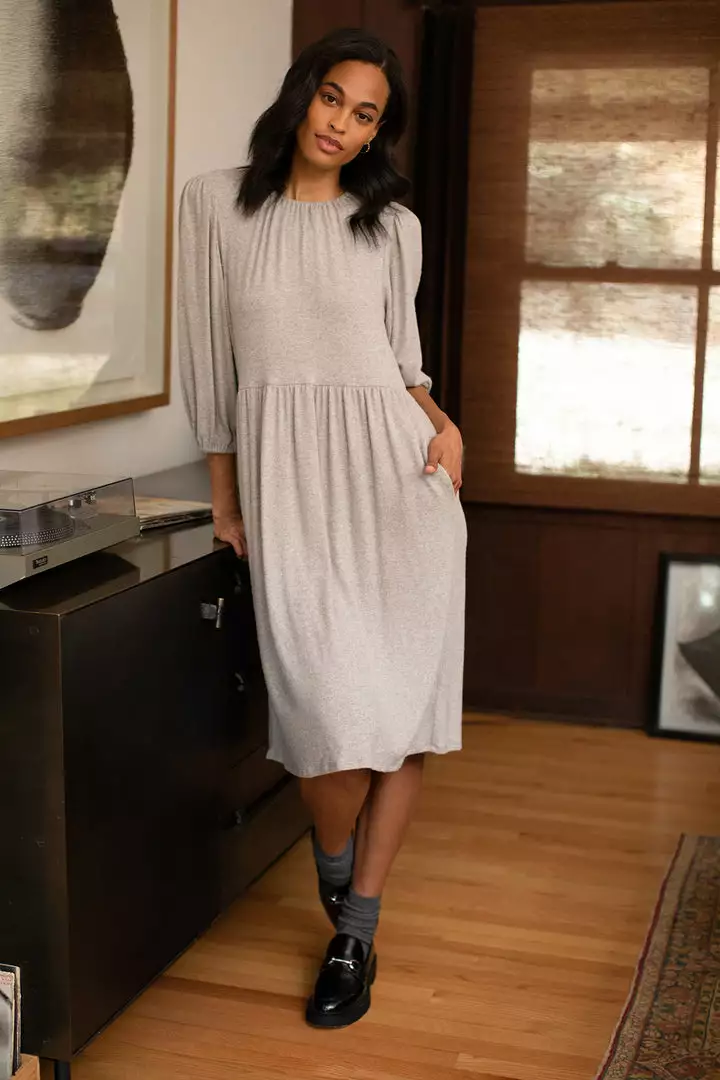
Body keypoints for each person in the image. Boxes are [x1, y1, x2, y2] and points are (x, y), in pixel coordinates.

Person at [178, 27, 467, 1030]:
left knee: (401, 719)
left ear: (379, 133)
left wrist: (443, 425)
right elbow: (211, 370)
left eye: (365, 114)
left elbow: (402, 365)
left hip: (401, 489)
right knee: (324, 734)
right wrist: (227, 501)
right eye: (332, 98)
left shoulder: (393, 227)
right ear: (302, 93)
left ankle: (356, 931)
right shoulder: (216, 204)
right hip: (292, 495)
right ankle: (337, 868)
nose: (341, 123)